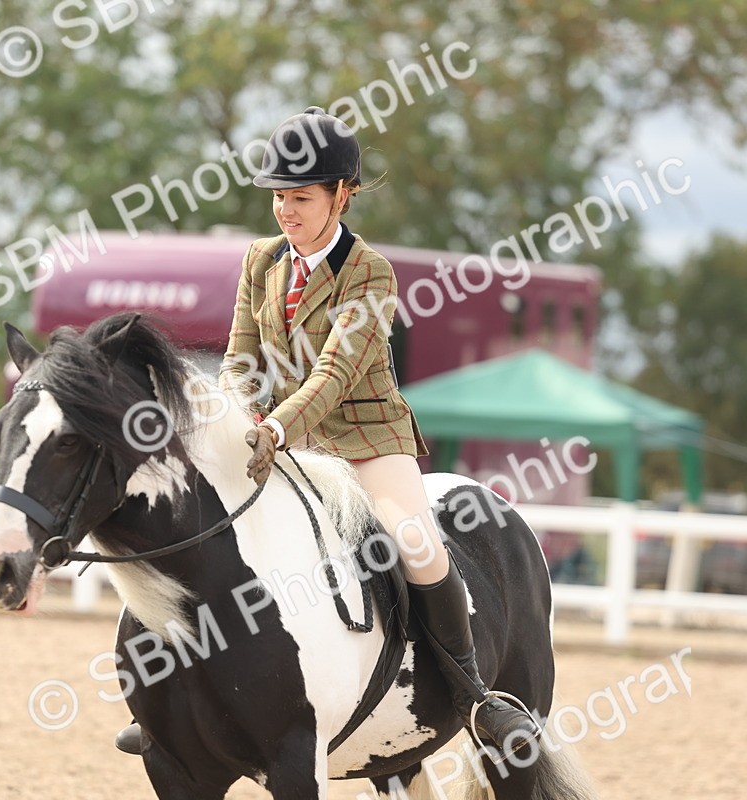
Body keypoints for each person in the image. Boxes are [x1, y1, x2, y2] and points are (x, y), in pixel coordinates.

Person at [115, 107, 540, 758]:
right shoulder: (261, 260)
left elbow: (337, 373)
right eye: (280, 197)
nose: (287, 211)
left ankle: (474, 696)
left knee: (414, 541)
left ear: (343, 195)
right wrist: (238, 415)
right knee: (197, 529)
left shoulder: (369, 273)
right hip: (276, 435)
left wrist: (277, 429)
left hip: (364, 439)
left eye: (302, 198)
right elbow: (238, 355)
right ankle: (170, 704)